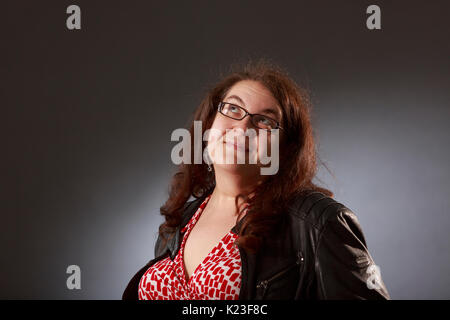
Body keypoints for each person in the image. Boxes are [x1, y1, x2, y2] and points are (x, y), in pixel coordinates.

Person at [122, 59, 390, 300]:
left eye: (264, 121)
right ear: (209, 124)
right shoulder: (179, 222)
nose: (242, 128)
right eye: (233, 109)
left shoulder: (319, 223)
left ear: (285, 149)